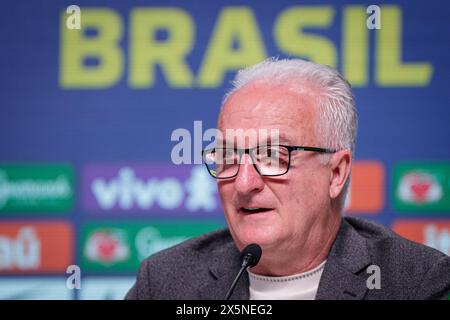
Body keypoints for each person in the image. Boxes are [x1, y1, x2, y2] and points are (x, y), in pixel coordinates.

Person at [126, 58, 450, 300]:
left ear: (336, 173)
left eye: (272, 157)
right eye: (227, 158)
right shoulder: (166, 281)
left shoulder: (414, 282)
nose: (243, 183)